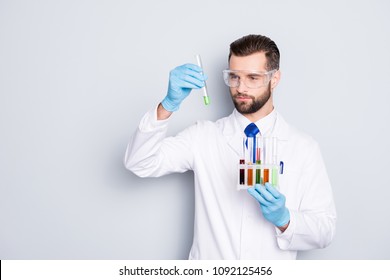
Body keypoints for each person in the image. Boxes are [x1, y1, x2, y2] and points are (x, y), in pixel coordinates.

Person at [124, 34, 336, 260]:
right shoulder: (203, 136)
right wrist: (167, 105)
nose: (240, 87)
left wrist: (285, 219)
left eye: (253, 78)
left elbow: (325, 230)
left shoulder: (302, 147)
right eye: (234, 77)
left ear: (275, 79)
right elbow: (139, 162)